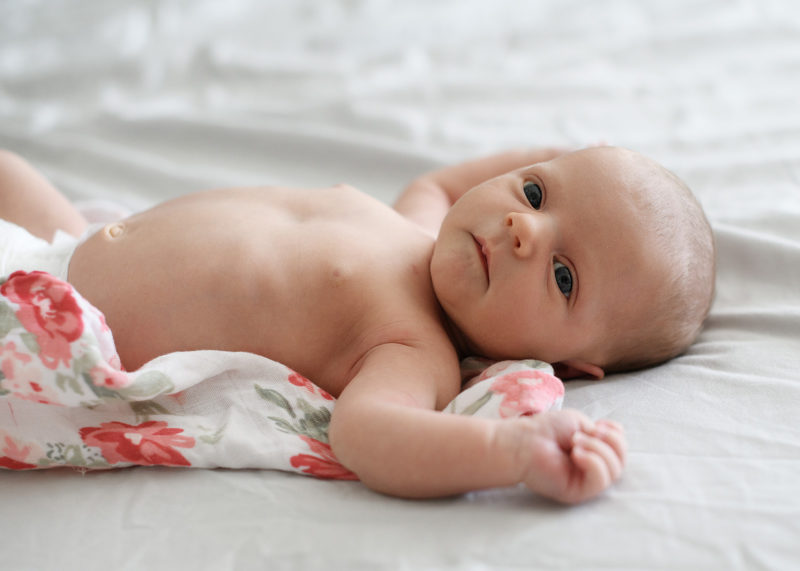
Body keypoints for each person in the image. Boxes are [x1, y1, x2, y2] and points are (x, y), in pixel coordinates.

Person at [0, 146, 715, 503]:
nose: (523, 228)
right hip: (65, 244)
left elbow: (367, 434)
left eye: (564, 275)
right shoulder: (419, 226)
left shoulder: (412, 346)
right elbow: (440, 183)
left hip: (43, 320)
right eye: (534, 189)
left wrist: (513, 449)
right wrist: (579, 159)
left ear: (567, 363)